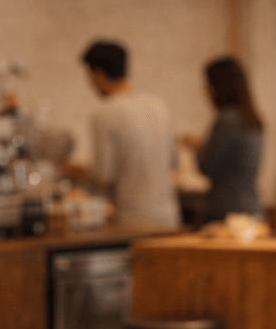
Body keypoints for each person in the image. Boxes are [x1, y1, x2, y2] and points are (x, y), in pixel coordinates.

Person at [76, 40, 181, 228]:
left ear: (98, 74)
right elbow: (174, 161)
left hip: (132, 218)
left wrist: (76, 174)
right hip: (169, 216)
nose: (91, 84)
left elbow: (104, 176)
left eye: (89, 77)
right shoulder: (158, 105)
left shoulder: (105, 113)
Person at [184, 56, 263, 223]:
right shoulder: (254, 119)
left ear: (217, 87)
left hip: (226, 210)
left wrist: (198, 147)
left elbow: (206, 167)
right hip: (252, 205)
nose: (204, 89)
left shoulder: (226, 120)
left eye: (208, 84)